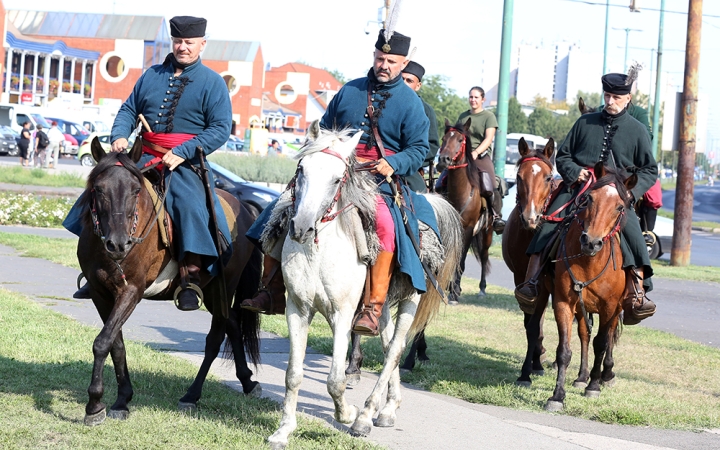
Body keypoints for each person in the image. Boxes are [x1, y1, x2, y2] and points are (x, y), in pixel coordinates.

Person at [241, 28, 434, 337]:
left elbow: (420, 149)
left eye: (392, 61)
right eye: (380, 58)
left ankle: (373, 307)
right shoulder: (349, 90)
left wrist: (393, 163)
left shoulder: (411, 103)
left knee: (385, 224)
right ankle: (273, 288)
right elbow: (325, 130)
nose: (384, 65)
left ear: (404, 63)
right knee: (283, 208)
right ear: (374, 56)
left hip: (376, 181)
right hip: (335, 173)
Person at [63, 16, 233, 311]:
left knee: (189, 204)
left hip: (184, 163)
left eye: (189, 43)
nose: (183, 47)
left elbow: (220, 128)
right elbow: (129, 109)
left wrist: (184, 150)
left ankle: (190, 276)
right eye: (178, 41)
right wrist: (119, 135)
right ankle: (95, 270)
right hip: (142, 157)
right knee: (100, 192)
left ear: (202, 44)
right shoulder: (151, 75)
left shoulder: (213, 83)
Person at [514, 71, 658, 324]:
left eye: (616, 97)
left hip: (615, 194)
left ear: (628, 99)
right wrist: (574, 172)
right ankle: (532, 282)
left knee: (633, 232)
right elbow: (563, 156)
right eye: (607, 96)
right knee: (547, 225)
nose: (610, 101)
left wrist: (630, 193)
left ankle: (637, 292)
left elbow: (649, 170)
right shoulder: (585, 123)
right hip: (578, 189)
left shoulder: (637, 130)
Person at [436, 87, 505, 233]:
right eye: (471, 97)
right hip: (461, 155)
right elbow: (455, 137)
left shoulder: (489, 116)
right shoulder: (463, 116)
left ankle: (496, 217)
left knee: (490, 183)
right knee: (439, 183)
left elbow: (488, 139)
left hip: (480, 156)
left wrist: (476, 152)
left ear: (483, 99)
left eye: (476, 97)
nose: (473, 100)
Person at [401, 60, 439, 193]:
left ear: (418, 86)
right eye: (401, 79)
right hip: (380, 162)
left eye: (409, 81)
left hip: (410, 168)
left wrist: (408, 160)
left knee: (422, 205)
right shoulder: (383, 103)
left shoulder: (426, 110)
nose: (404, 83)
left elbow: (432, 145)